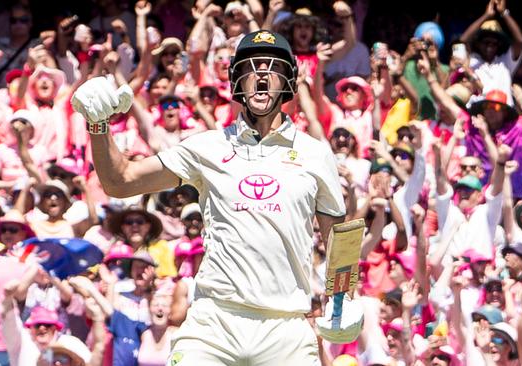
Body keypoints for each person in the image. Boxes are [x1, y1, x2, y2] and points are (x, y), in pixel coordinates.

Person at [72, 29, 346, 365]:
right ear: (236, 81)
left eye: (271, 66)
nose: (261, 75)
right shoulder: (207, 147)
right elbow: (120, 182)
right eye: (251, 67)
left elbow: (338, 239)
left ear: (287, 79)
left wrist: (343, 297)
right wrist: (98, 125)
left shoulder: (315, 153)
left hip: (286, 327)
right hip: (214, 323)